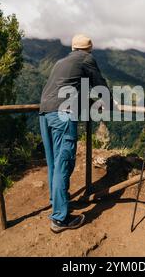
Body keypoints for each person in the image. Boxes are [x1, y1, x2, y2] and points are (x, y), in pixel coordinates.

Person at [39, 34, 110, 233]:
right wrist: (109, 102)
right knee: (64, 162)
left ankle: (57, 204)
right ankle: (60, 219)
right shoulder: (87, 59)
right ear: (89, 49)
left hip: (44, 112)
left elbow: (78, 86)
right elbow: (100, 84)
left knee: (54, 162)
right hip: (63, 113)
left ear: (72, 48)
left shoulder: (61, 62)